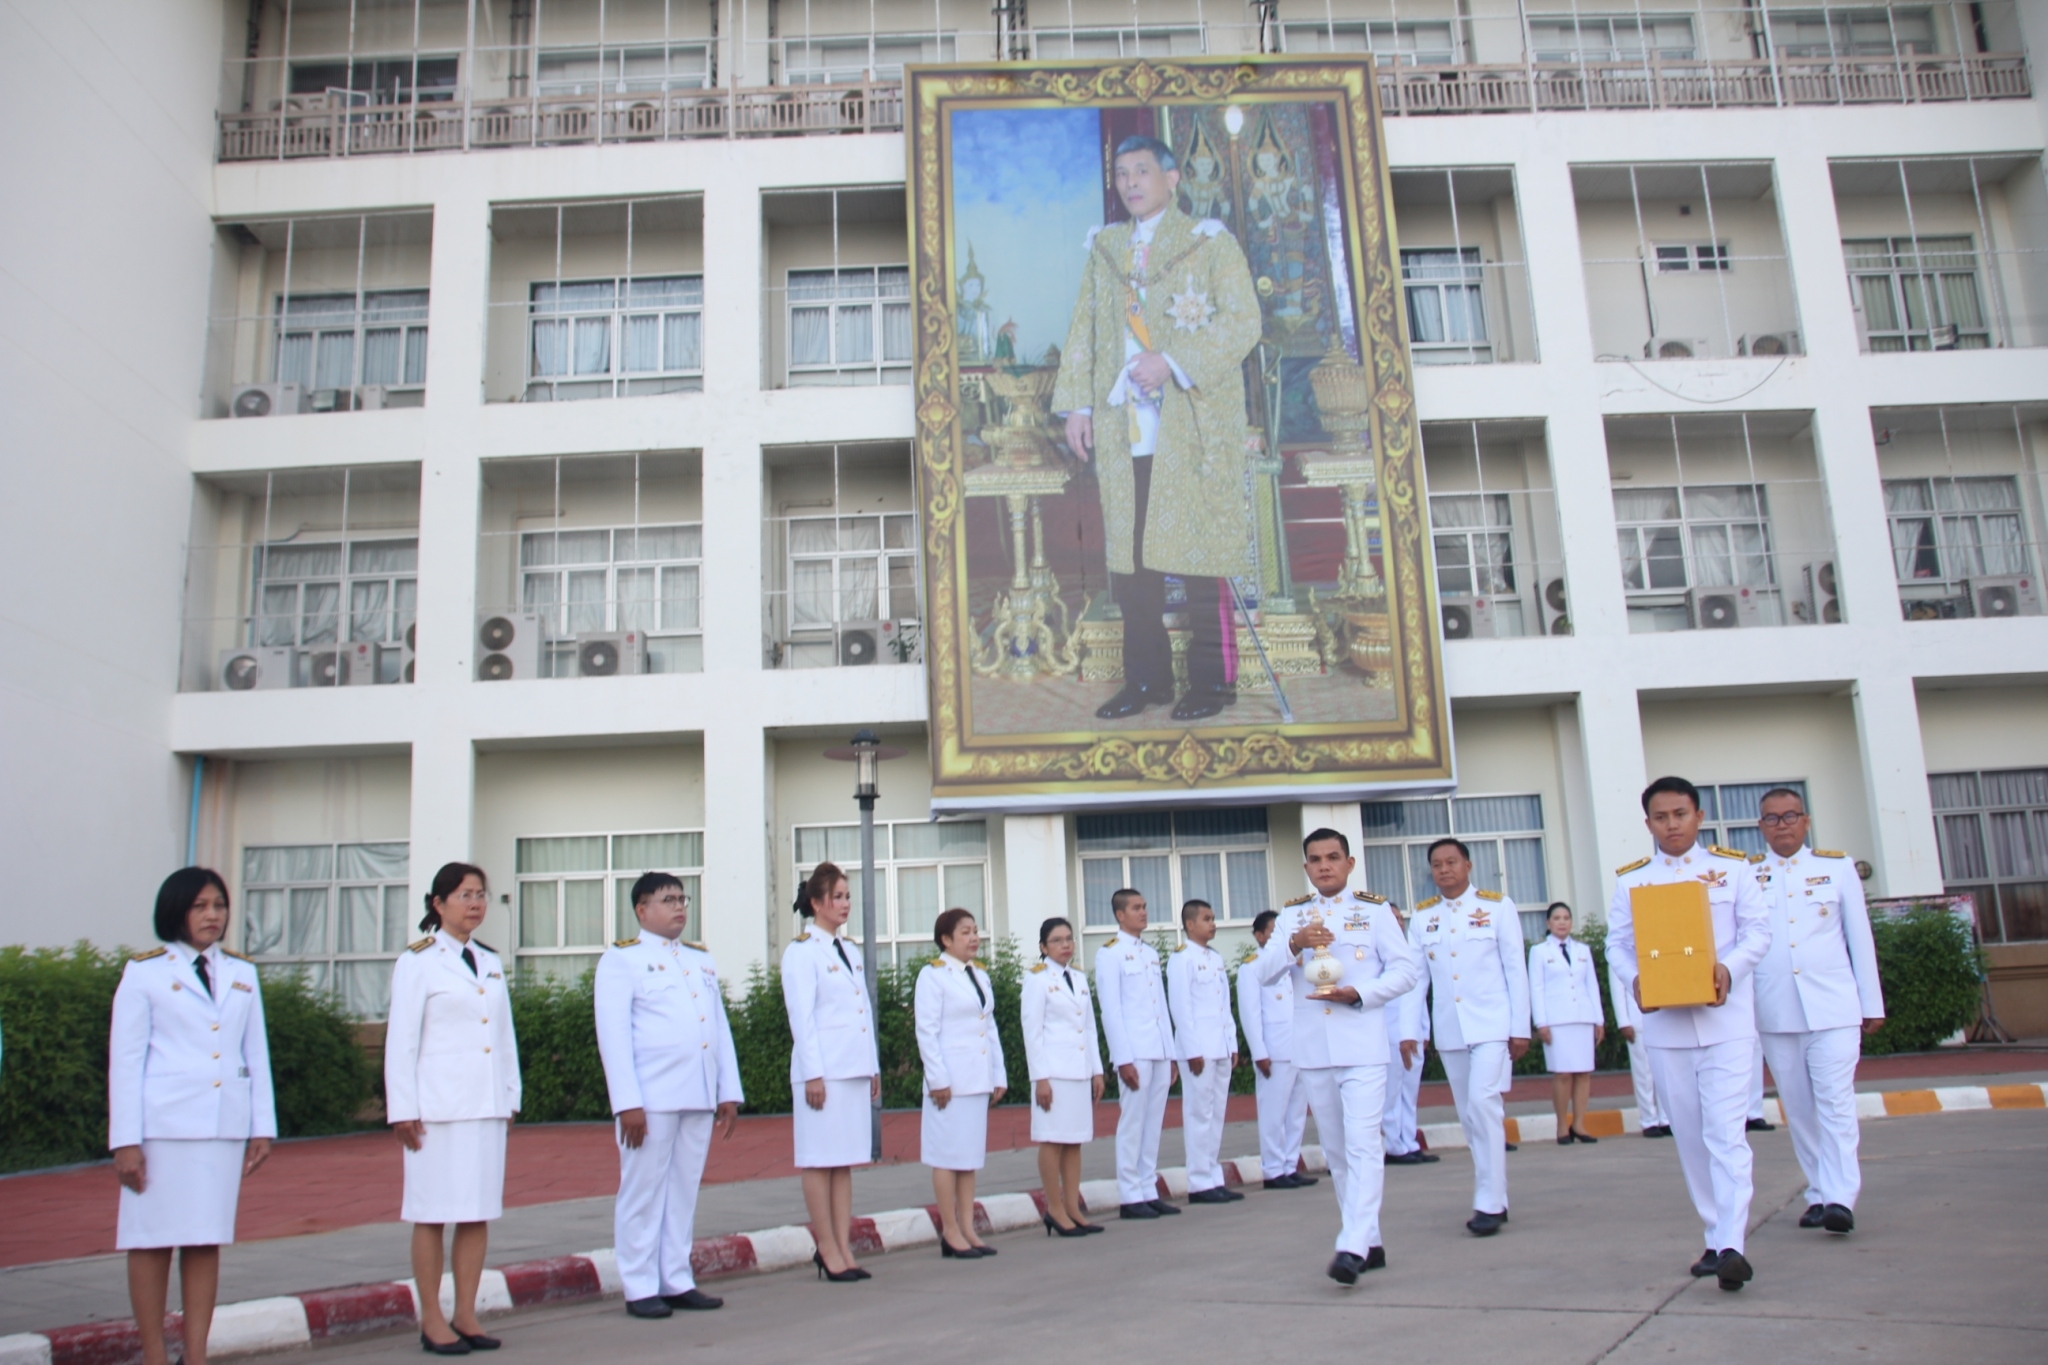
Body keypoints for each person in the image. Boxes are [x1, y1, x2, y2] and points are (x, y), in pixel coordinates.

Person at [1053, 134, 1263, 723]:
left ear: (1172, 179)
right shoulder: (1106, 248)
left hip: (1188, 428)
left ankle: (1213, 684)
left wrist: (1168, 362)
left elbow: (1245, 321)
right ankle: (1146, 682)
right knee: (1132, 566)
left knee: (1200, 559)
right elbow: (1084, 330)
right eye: (1121, 174)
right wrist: (1078, 406)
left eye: (1142, 171)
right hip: (1125, 430)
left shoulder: (1207, 243)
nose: (1130, 183)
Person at [1606, 777, 1771, 1293]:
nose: (1671, 825)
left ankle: (1733, 1246)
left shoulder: (1732, 869)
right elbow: (1617, 944)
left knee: (1726, 1133)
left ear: (1698, 816)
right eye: (1661, 817)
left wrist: (1730, 968)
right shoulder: (1633, 880)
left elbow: (1759, 933)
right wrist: (1635, 981)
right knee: (1692, 1138)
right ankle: (1715, 1233)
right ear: (1648, 823)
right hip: (1667, 1029)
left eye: (1680, 814)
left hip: (1726, 1024)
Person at [110, 868, 276, 1365]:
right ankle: (156, 1354)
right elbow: (125, 1060)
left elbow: (256, 1053)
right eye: (201, 906)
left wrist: (262, 1126)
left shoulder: (242, 973)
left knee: (206, 1240)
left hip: (221, 1128)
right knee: (152, 1241)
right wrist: (125, 1140)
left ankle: (196, 1354)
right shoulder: (146, 972)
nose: (212, 915)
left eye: (219, 906)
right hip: (162, 1131)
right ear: (177, 911)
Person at [1254, 828, 1421, 1285]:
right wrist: (1293, 944)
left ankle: (1350, 1245)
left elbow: (1406, 971)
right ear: (1306, 867)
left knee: (1365, 1143)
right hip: (1314, 1049)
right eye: (1315, 859)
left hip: (1362, 1043)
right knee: (1338, 1151)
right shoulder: (1292, 916)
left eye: (1333, 857)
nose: (1324, 865)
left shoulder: (1374, 910)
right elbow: (1263, 975)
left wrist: (1362, 993)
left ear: (1349, 863)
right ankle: (1370, 1238)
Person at [386, 861, 521, 1354]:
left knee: (476, 1211)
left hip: (484, 1105)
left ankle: (466, 1311)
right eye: (465, 895)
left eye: (481, 894)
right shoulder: (418, 961)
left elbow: (501, 1037)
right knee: (431, 1213)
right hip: (435, 1111)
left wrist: (510, 1095)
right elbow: (401, 1040)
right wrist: (402, 1108)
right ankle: (432, 1317)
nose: (476, 903)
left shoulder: (488, 960)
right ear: (438, 904)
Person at [595, 873, 742, 1318]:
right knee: (642, 1190)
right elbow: (614, 1037)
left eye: (683, 898)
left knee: (682, 1191)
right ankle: (639, 1284)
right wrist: (627, 1103)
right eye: (667, 900)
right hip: (651, 1098)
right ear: (642, 910)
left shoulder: (700, 959)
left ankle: (675, 1277)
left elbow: (717, 1028)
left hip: (695, 1093)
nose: (679, 907)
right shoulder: (622, 961)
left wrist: (727, 1091)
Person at [1749, 788, 1885, 1235]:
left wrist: (1871, 1002)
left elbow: (1859, 938)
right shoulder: (1748, 875)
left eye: (1790, 816)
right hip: (1775, 1010)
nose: (1781, 825)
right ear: (1761, 827)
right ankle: (1819, 1192)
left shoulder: (1836, 867)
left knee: (1835, 1102)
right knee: (1800, 1108)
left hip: (1834, 1007)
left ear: (1805, 821)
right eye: (1772, 819)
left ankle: (1841, 1198)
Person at [1406, 839, 1531, 1236]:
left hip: (1492, 1026)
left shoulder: (1496, 908)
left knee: (1483, 1103)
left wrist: (1520, 1027)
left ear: (1468, 865)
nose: (1444, 870)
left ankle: (1489, 1202)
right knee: (1469, 1115)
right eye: (1437, 865)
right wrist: (1411, 1030)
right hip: (1451, 1029)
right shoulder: (1423, 918)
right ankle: (1494, 1195)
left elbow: (1516, 969)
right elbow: (1414, 981)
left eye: (1451, 862)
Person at [781, 862, 883, 1282]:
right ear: (816, 902)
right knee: (819, 1161)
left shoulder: (849, 950)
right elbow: (801, 1018)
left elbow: (863, 1011)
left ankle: (843, 1246)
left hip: (852, 1068)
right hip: (823, 1072)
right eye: (837, 897)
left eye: (846, 896)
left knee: (843, 1163)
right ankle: (826, 1246)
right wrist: (812, 1075)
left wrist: (872, 1065)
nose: (844, 904)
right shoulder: (802, 952)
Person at [916, 908, 1008, 1258]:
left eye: (975, 931)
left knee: (968, 1158)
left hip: (976, 1078)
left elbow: (990, 1028)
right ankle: (950, 1231)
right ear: (946, 940)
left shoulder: (978, 976)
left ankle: (968, 1228)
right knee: (946, 1156)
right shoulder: (933, 975)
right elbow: (927, 1031)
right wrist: (937, 1079)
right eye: (965, 932)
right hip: (949, 1083)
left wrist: (997, 1074)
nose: (974, 938)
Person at [1094, 887, 1181, 1219]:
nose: (1143, 912)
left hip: (1158, 1048)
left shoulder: (1149, 953)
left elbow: (1161, 1005)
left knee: (1153, 1120)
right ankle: (1130, 1194)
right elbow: (1111, 1011)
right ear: (1120, 915)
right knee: (1133, 1122)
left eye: (1144, 907)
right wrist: (1122, 1058)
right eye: (1136, 908)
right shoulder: (1110, 953)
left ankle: (1147, 1186)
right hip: (1134, 1050)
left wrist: (1170, 1053)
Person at [1021, 917, 1105, 1236]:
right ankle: (1054, 1208)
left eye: (1068, 938)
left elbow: (1090, 1028)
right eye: (1057, 940)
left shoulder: (1079, 978)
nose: (1065, 944)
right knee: (1052, 1139)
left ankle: (1072, 1207)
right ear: (1043, 947)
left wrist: (1097, 1070)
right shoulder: (1037, 980)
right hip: (1053, 1073)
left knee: (1075, 1142)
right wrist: (1040, 1078)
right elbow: (1033, 1032)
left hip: (1079, 1070)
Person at [1167, 899, 1243, 1205]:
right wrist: (1191, 1049)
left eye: (1213, 918)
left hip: (1220, 1046)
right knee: (1199, 1114)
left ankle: (1213, 1176)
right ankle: (1199, 1181)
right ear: (1190, 925)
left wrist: (1232, 1043)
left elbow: (1224, 1005)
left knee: (1216, 1113)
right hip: (1198, 1048)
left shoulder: (1214, 958)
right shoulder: (1182, 958)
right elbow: (1181, 1008)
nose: (1213, 924)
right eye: (1207, 919)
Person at [1239, 911, 1318, 1189]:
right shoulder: (1252, 967)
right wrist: (1259, 1052)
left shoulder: (1297, 966)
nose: (1276, 936)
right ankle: (1273, 1169)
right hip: (1274, 1051)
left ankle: (1289, 1163)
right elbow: (1251, 1013)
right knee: (1273, 1112)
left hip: (1299, 1047)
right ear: (1259, 936)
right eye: (1271, 931)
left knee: (1296, 1111)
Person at [1529, 902, 1605, 1145]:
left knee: (1583, 1073)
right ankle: (1562, 1126)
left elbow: (1591, 985)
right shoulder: (1540, 951)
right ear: (1548, 923)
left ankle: (1579, 1124)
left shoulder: (1582, 950)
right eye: (1557, 918)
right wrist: (1541, 1022)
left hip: (1582, 1016)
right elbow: (1536, 988)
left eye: (1566, 918)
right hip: (1556, 1020)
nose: (1562, 922)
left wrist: (1598, 1019)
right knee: (1562, 1074)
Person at [1382, 904, 1437, 1167]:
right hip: (1390, 1033)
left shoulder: (1410, 952)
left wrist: (1423, 1030)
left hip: (1412, 1033)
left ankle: (1409, 1141)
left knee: (1409, 1092)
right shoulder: (1380, 954)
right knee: (1391, 1093)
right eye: (1392, 919)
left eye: (1400, 918)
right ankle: (1394, 1144)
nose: (1398, 923)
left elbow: (1418, 996)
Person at [1610, 936, 1670, 1138]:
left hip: (1662, 1017)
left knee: (1664, 1070)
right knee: (1644, 1074)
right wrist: (1623, 1021)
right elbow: (1618, 988)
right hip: (1636, 1019)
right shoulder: (1621, 947)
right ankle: (1649, 1120)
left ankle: (1666, 1118)